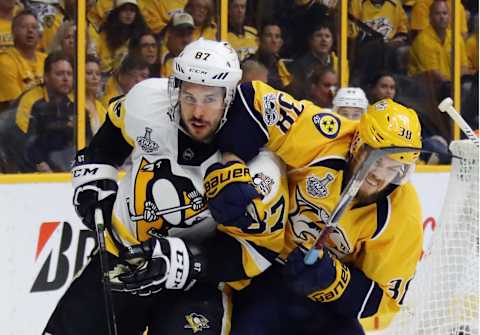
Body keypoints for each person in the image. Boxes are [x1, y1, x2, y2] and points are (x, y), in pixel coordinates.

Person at [43, 39, 289, 335]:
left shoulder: (261, 167)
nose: (198, 112)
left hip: (195, 287)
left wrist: (189, 261)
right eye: (189, 97)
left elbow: (256, 252)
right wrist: (95, 180)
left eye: (210, 99)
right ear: (176, 90)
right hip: (121, 257)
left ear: (230, 98)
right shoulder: (148, 102)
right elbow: (113, 134)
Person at [202, 79, 423, 333]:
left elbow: (382, 299)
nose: (380, 177)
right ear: (357, 144)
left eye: (395, 169)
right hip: (265, 274)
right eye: (377, 161)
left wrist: (334, 280)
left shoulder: (403, 213)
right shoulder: (327, 135)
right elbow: (251, 98)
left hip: (325, 302)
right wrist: (231, 165)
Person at [16, 51, 74, 172]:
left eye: (69, 74)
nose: (65, 79)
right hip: (33, 170)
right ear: (46, 77)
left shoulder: (76, 102)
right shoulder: (30, 101)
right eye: (59, 74)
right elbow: (23, 144)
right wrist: (42, 166)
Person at [0, 10, 46, 110]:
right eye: (24, 27)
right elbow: (16, 105)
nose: (30, 30)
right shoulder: (5, 61)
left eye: (34, 27)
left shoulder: (46, 59)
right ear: (13, 33)